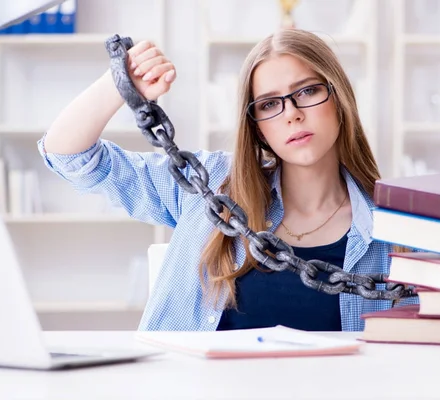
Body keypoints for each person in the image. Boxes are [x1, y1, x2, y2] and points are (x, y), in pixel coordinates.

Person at [38, 28, 418, 332]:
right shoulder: (211, 187)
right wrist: (120, 82)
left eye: (307, 91)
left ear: (340, 98)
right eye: (269, 104)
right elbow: (68, 156)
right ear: (256, 127)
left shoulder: (399, 232)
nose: (292, 114)